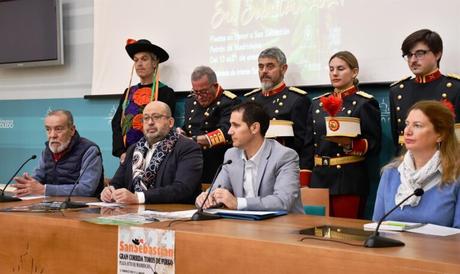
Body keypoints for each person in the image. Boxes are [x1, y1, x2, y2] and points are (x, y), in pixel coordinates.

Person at [303, 51, 381, 218]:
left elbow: (374, 143)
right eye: (331, 69)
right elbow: (309, 146)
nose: (334, 73)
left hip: (347, 178)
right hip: (318, 179)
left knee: (344, 235)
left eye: (340, 68)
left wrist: (349, 144)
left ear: (354, 72)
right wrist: (304, 181)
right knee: (316, 233)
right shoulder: (317, 103)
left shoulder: (364, 103)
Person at [195, 101, 304, 213]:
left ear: (254, 128)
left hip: (284, 225)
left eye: (236, 125)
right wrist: (207, 198)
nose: (229, 131)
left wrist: (238, 203)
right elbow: (217, 190)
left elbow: (283, 201)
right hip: (246, 225)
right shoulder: (231, 155)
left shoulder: (284, 156)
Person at [373, 101, 460, 228]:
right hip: (392, 247)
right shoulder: (390, 173)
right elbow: (376, 226)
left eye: (417, 125)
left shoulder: (456, 176)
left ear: (440, 135)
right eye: (407, 124)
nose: (407, 131)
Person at [101, 101, 203, 204]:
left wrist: (138, 198)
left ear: (170, 122)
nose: (150, 122)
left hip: (172, 214)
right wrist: (109, 190)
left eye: (156, 117)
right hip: (132, 213)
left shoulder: (187, 147)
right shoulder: (133, 149)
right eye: (146, 118)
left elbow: (182, 188)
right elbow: (117, 182)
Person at [389, 29, 460, 155]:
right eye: (409, 55)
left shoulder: (455, 88)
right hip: (405, 163)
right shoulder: (397, 90)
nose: (413, 60)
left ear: (437, 54)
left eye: (419, 53)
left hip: (444, 163)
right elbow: (397, 140)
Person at [244, 47, 311, 172]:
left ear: (283, 69)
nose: (264, 71)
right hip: (252, 167)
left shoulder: (296, 100)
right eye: (261, 67)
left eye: (270, 66)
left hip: (283, 168)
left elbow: (303, 144)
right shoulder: (250, 100)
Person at [112, 39, 176, 163]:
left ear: (155, 63)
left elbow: (166, 127)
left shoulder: (166, 92)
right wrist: (121, 152)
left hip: (155, 157)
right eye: (136, 60)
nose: (139, 64)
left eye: (144, 59)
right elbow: (116, 123)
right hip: (128, 155)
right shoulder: (128, 92)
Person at [13, 110, 104, 197]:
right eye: (48, 129)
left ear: (72, 130)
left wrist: (45, 190)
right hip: (50, 206)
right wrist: (27, 185)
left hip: (83, 208)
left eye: (58, 129)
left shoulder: (89, 150)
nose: (52, 135)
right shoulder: (47, 151)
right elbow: (39, 178)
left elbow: (87, 189)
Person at [177, 66, 240, 183]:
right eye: (196, 92)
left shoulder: (229, 101)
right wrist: (181, 131)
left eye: (204, 92)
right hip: (192, 160)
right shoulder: (191, 101)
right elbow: (189, 126)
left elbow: (226, 132)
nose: (200, 97)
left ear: (215, 86)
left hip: (217, 160)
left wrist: (194, 140)